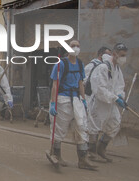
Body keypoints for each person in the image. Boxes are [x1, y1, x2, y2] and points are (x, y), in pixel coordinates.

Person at [48, 40, 96, 170]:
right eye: (73, 45)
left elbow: (81, 82)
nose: (76, 48)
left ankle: (83, 158)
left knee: (81, 126)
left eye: (78, 46)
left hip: (76, 98)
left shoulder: (80, 64)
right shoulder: (61, 64)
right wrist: (53, 103)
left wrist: (84, 99)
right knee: (60, 127)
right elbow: (55, 84)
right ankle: (56, 153)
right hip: (63, 98)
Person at [88, 43, 128, 162]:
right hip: (100, 102)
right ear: (114, 54)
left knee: (115, 123)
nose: (123, 58)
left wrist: (120, 95)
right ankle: (91, 152)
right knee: (95, 125)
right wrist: (115, 98)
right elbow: (100, 89)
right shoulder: (103, 68)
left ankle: (101, 148)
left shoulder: (117, 69)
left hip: (111, 103)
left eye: (125, 55)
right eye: (122, 55)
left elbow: (120, 85)